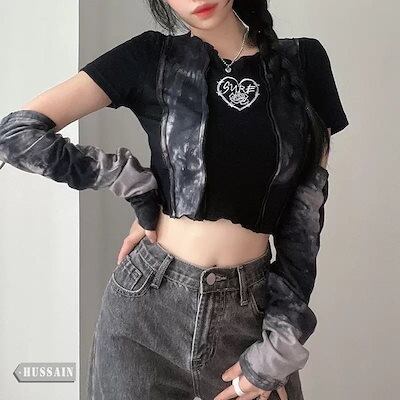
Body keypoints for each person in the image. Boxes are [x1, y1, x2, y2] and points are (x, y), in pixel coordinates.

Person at [0, 0, 349, 399]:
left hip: (249, 313)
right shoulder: (151, 56)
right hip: (145, 310)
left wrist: (282, 341)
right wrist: (131, 181)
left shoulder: (304, 61)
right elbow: (16, 134)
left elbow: (304, 218)